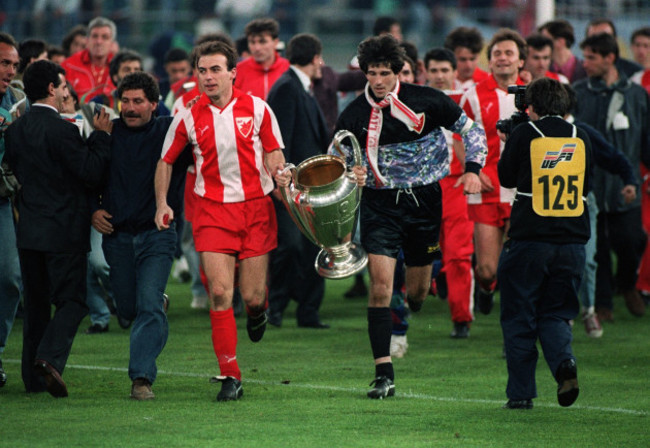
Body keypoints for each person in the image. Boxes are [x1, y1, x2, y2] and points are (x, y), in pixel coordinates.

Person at [332, 35, 486, 399]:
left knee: (416, 292)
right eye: (372, 73)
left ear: (399, 71)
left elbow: (472, 131)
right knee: (381, 287)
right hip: (379, 205)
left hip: (425, 202)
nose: (378, 80)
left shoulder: (428, 99)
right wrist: (349, 170)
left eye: (385, 73)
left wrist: (474, 168)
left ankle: (415, 299)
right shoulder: (353, 114)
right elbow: (337, 159)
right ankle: (383, 372)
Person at [154, 41, 286, 402]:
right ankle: (231, 375)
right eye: (202, 70)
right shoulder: (187, 114)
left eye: (215, 70)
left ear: (232, 73)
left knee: (253, 297)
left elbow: (274, 152)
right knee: (219, 292)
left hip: (257, 210)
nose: (208, 77)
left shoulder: (257, 108)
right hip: (211, 212)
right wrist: (162, 203)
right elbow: (166, 161)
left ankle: (259, 311)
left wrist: (280, 174)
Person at [4, 59, 112, 397]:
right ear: (51, 88)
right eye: (62, 85)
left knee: (36, 306)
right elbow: (90, 172)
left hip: (30, 230)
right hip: (64, 229)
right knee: (73, 301)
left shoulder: (16, 130)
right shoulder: (63, 130)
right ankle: (49, 360)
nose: (65, 91)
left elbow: (14, 171)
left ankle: (32, 381)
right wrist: (102, 138)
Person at [91, 71, 188, 400]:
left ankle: (141, 379)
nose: (130, 108)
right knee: (128, 309)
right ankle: (154, 304)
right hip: (116, 235)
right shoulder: (107, 133)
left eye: (138, 102)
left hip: (157, 234)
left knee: (146, 305)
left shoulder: (169, 132)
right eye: (125, 101)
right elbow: (86, 175)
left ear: (154, 104)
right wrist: (93, 209)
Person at [497, 77, 592, 410]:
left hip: (530, 240)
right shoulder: (582, 136)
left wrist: (509, 141)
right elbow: (587, 182)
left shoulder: (526, 133)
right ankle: (564, 362)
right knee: (555, 313)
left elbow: (506, 178)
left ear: (530, 106)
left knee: (519, 315)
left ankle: (521, 394)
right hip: (573, 243)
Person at [573, 32, 650, 319]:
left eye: (591, 57)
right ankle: (603, 303)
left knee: (631, 241)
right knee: (597, 247)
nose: (585, 63)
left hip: (623, 184)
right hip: (588, 185)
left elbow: (646, 139)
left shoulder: (637, 96)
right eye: (584, 57)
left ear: (610, 58)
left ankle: (628, 284)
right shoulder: (578, 93)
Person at [459, 28, 527, 315]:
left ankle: (514, 325)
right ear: (490, 60)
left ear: (520, 61)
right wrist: (472, 170)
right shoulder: (472, 96)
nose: (502, 58)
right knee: (487, 269)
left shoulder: (532, 94)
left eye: (508, 53)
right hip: (487, 187)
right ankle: (486, 289)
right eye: (497, 53)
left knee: (517, 263)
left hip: (521, 189)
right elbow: (458, 137)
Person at [266, 33, 330, 329]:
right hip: (292, 190)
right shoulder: (287, 89)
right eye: (321, 58)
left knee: (312, 249)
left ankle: (307, 311)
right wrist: (282, 187)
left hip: (310, 190)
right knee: (289, 247)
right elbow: (279, 143)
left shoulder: (297, 87)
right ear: (315, 58)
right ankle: (276, 306)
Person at [563, 84, 637, 338]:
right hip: (546, 205)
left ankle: (588, 310)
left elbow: (614, 157)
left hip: (583, 203)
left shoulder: (583, 133)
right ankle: (565, 312)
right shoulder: (538, 133)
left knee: (587, 258)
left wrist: (630, 180)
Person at [424, 47, 476, 338]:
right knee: (415, 251)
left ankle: (461, 318)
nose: (439, 76)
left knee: (458, 255)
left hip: (455, 186)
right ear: (426, 72)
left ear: (454, 72)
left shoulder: (468, 100)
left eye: (445, 70)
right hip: (423, 188)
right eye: (434, 70)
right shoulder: (412, 100)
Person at [0, 31, 25, 389]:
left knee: (9, 277)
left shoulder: (19, 100)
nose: (10, 70)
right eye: (5, 63)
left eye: (14, 65)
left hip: (3, 201)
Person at [61, 16, 116, 103]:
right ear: (87, 40)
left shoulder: (120, 67)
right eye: (95, 36)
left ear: (112, 43)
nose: (99, 42)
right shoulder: (68, 66)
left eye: (104, 37)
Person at [234, 18, 289, 100]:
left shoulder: (288, 69)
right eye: (252, 42)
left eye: (262, 42)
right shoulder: (237, 71)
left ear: (275, 42)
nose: (257, 48)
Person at [444, 26, 489, 91]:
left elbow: (509, 95)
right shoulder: (440, 81)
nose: (468, 65)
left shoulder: (491, 81)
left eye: (472, 59)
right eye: (462, 60)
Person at [630, 27, 650, 94]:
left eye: (646, 46)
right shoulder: (626, 75)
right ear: (631, 47)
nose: (641, 51)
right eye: (637, 45)